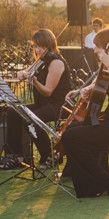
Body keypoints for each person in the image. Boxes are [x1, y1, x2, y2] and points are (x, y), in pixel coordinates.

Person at [55, 24, 109, 197]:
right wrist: (83, 90)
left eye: (98, 47)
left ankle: (101, 183)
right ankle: (91, 180)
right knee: (70, 130)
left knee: (72, 136)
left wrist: (108, 63)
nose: (95, 51)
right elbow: (105, 83)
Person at [18, 28, 68, 165]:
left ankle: (50, 155)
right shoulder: (41, 61)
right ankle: (17, 156)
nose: (37, 50)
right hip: (43, 104)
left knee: (33, 120)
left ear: (49, 46)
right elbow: (25, 71)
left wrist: (35, 81)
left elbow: (48, 91)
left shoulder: (56, 63)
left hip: (59, 105)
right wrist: (22, 73)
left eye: (40, 46)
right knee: (15, 112)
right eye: (35, 46)